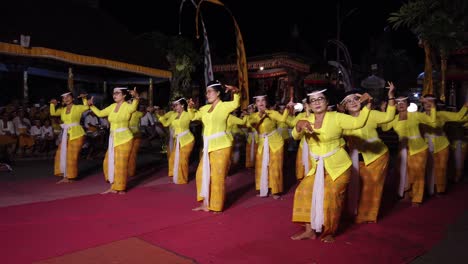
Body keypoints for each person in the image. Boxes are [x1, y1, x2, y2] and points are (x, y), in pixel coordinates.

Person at [290, 88, 372, 242]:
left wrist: (367, 105)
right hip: (317, 167)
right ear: (309, 105)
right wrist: (298, 126)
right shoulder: (306, 119)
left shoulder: (336, 117)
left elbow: (358, 122)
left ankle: (329, 231)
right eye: (313, 100)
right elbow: (295, 136)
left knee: (331, 195)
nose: (317, 102)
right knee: (303, 191)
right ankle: (309, 231)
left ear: (327, 102)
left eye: (320, 98)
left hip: (339, 167)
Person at [340, 82, 396, 223]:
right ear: (345, 107)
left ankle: (366, 216)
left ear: (361, 100)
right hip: (356, 158)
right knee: (356, 185)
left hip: (378, 155)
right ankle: (353, 211)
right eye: (348, 101)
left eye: (355, 99)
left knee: (371, 186)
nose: (353, 102)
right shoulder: (342, 120)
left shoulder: (371, 114)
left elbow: (389, 116)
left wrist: (391, 96)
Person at [189, 80, 240, 212]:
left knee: (217, 176)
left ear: (218, 93)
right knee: (201, 173)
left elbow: (236, 103)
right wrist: (190, 107)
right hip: (208, 147)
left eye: (210, 91)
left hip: (222, 145)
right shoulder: (204, 109)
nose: (207, 94)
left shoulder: (225, 106)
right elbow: (193, 116)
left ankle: (216, 206)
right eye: (207, 92)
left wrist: (236, 91)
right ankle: (205, 203)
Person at [381, 95, 436, 207]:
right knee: (404, 173)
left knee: (418, 174)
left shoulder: (415, 115)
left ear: (408, 104)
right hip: (403, 150)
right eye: (398, 102)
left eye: (403, 102)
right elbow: (384, 128)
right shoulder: (394, 119)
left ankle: (417, 198)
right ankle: (406, 194)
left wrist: (432, 105)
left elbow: (431, 120)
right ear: (395, 105)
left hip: (419, 149)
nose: (400, 104)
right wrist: (383, 110)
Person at [88, 87, 139, 194]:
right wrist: (91, 106)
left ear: (124, 95)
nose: (114, 95)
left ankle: (120, 187)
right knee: (108, 162)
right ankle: (113, 184)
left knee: (121, 164)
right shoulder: (112, 106)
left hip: (125, 138)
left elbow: (134, 107)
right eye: (113, 93)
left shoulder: (128, 106)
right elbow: (100, 114)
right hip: (114, 139)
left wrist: (135, 96)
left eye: (117, 93)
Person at [419, 95, 467, 195]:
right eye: (426, 102)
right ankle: (427, 189)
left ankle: (440, 189)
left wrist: (466, 105)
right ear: (422, 104)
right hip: (426, 145)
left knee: (441, 168)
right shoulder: (418, 116)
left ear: (435, 104)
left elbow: (458, 116)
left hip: (442, 145)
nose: (428, 104)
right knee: (427, 168)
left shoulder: (441, 114)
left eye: (431, 102)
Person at [248, 95, 292, 199]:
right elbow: (251, 123)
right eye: (258, 101)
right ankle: (263, 188)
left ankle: (275, 190)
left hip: (276, 143)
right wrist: (261, 114)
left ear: (266, 102)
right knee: (260, 166)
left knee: (275, 166)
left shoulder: (272, 113)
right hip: (263, 143)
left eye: (263, 100)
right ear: (255, 104)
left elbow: (282, 119)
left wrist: (287, 108)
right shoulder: (253, 116)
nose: (261, 102)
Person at [50, 92, 89, 183]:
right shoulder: (62, 110)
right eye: (64, 98)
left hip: (77, 134)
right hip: (66, 135)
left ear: (73, 98)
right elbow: (53, 113)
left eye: (68, 97)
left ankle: (70, 176)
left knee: (71, 156)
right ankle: (64, 175)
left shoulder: (77, 107)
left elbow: (87, 107)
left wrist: (84, 99)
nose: (66, 99)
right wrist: (52, 104)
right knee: (60, 153)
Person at [159, 97, 195, 184]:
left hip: (187, 140)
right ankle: (174, 175)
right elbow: (166, 124)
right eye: (174, 105)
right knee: (172, 158)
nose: (174, 107)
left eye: (176, 105)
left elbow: (192, 117)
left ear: (182, 105)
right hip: (178, 141)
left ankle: (182, 179)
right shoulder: (173, 115)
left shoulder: (187, 114)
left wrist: (190, 108)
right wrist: (160, 116)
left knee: (183, 160)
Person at [127, 104, 144, 178]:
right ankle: (129, 171)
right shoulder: (127, 112)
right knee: (130, 154)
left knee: (132, 154)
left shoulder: (137, 113)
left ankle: (130, 171)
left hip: (135, 135)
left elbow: (143, 113)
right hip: (128, 136)